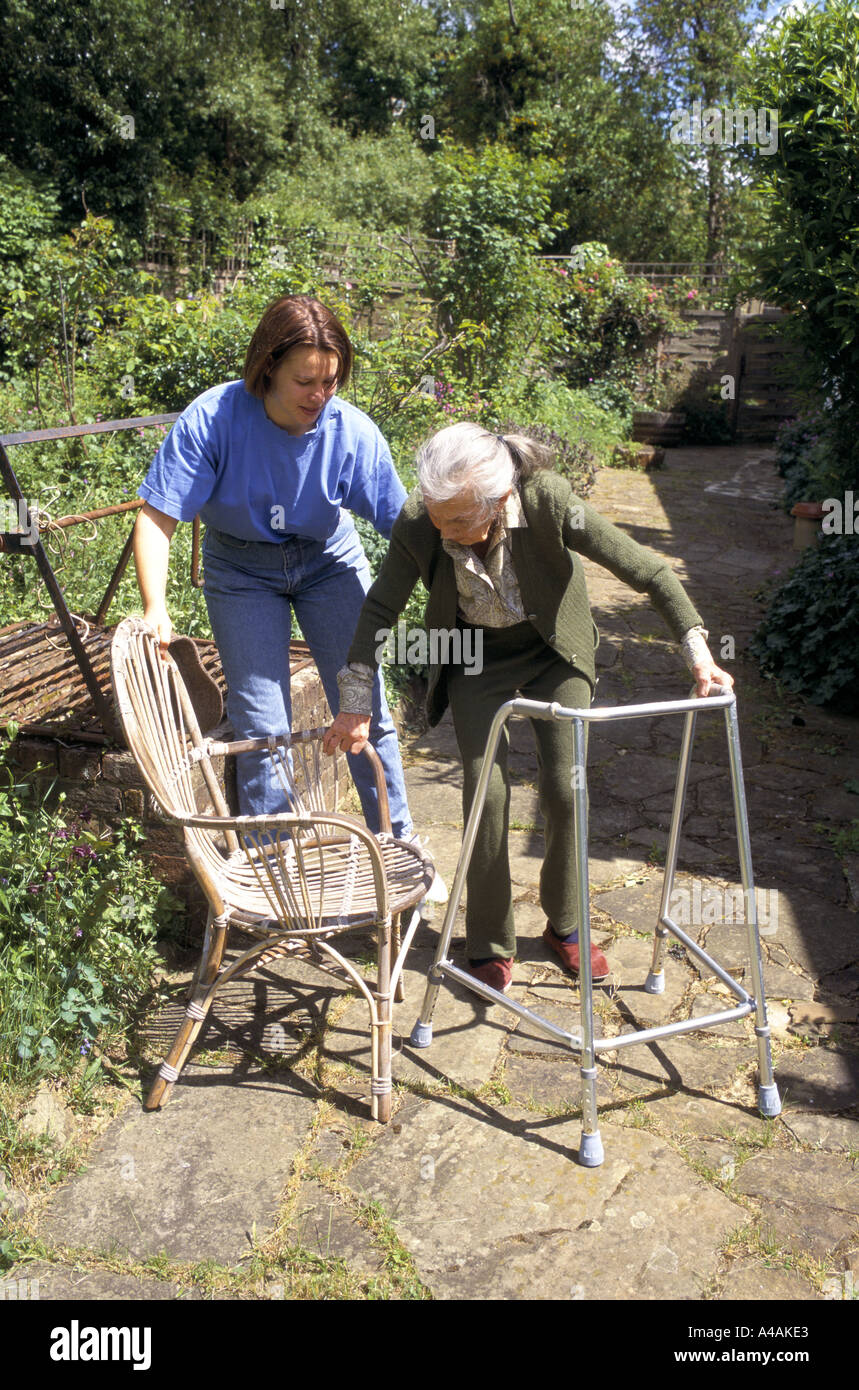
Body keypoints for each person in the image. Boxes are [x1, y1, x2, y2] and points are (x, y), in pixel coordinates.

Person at [323, 421, 733, 993]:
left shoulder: (550, 502)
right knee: (483, 790)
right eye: (439, 517)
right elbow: (379, 611)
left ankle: (566, 925)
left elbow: (645, 568)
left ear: (501, 498)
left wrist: (697, 651)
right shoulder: (426, 520)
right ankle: (490, 940)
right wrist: (355, 703)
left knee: (567, 784)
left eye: (461, 520)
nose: (446, 531)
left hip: (552, 652)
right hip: (473, 656)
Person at [132, 294, 443, 893]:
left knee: (364, 709)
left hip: (329, 562)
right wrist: (156, 608)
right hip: (241, 571)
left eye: (331, 381)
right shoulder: (215, 418)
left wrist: (458, 596)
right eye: (306, 380)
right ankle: (274, 869)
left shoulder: (349, 432)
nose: (319, 395)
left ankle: (396, 849)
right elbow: (156, 518)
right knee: (262, 722)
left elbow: (407, 530)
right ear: (267, 366)